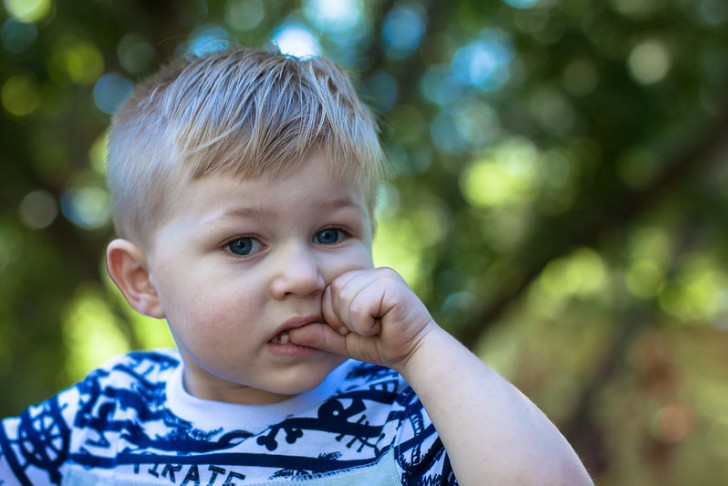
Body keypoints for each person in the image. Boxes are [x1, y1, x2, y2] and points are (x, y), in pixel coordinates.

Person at [0, 46, 591, 485]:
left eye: (330, 233)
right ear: (143, 280)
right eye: (242, 244)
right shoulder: (106, 412)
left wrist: (422, 351)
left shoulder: (402, 415)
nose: (305, 277)